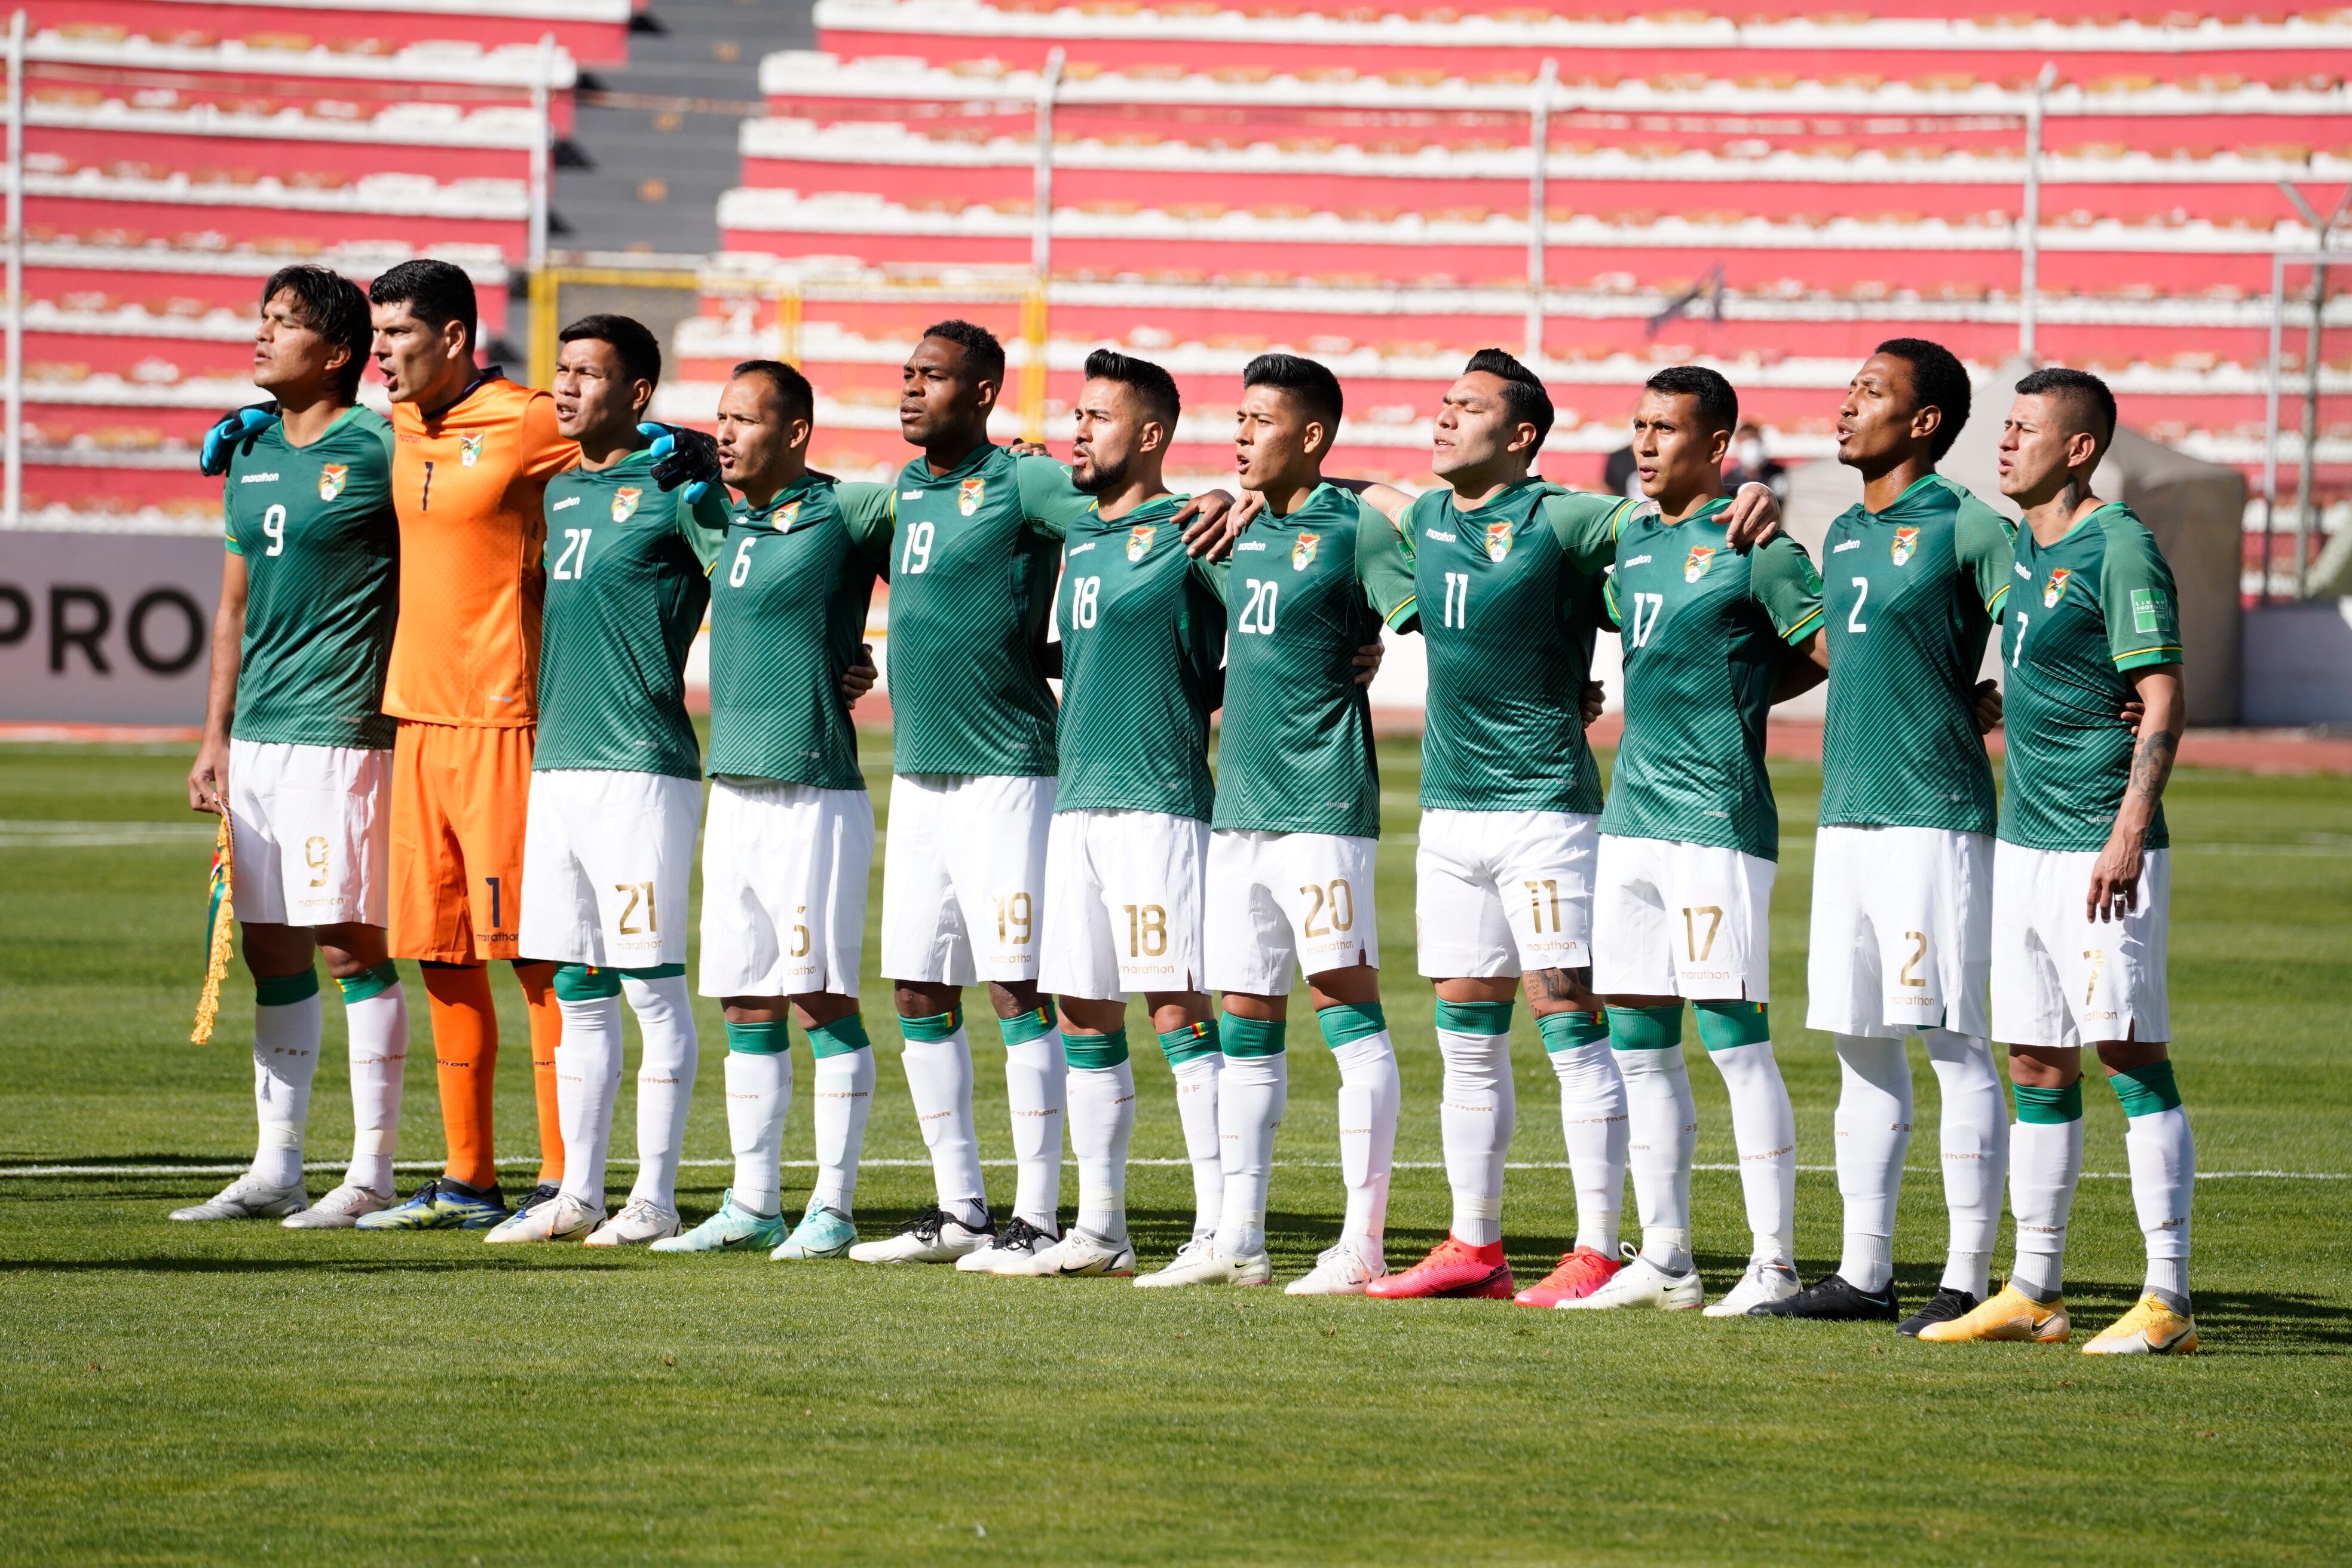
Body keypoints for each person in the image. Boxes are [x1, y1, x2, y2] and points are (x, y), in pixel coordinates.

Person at [1348, 350, 1783, 1304]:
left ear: (1521, 435)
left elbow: (1678, 525)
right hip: (1450, 814)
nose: (1445, 417)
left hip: (1548, 812)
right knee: (1465, 1033)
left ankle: (1599, 1248)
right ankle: (1476, 1245)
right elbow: (1372, 496)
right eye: (1444, 403)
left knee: (1574, 1034)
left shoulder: (1575, 518)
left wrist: (1750, 505)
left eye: (1468, 408)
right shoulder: (1424, 516)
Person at [851, 321, 1237, 1268]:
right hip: (923, 773)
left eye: (930, 377)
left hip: (1019, 772)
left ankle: (1059, 1211)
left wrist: (1232, 501)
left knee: (1033, 990)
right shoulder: (904, 492)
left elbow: (1232, 578)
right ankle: (965, 1212)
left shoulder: (1036, 485)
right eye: (905, 375)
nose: (909, 390)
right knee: (921, 983)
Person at [1921, 368, 2197, 1355]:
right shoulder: (2021, 551)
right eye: (2004, 426)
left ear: (2078, 449)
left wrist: (2127, 833)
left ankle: (2168, 1301)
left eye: (2026, 429)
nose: (2005, 442)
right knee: (2036, 1058)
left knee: (2130, 1056)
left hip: (2097, 847)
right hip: (2025, 843)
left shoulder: (2118, 545)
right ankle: (2034, 1286)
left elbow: (2160, 696)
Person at [1135, 352, 1418, 1291]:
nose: (1241, 434)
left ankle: (1362, 1243)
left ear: (1312, 436)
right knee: (1246, 1023)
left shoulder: (1355, 528)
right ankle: (1239, 1241)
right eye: (1239, 418)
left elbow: (1440, 596)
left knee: (1348, 1014)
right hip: (1238, 810)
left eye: (1261, 421)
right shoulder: (1234, 530)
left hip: (1323, 805)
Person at [1750, 339, 2016, 1329]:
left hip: (1932, 817)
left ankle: (1966, 1277)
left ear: (1925, 423)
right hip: (1850, 816)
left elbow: (2040, 620)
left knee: (1951, 1040)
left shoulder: (1966, 524)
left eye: (1872, 392)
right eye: (1851, 387)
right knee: (1859, 1041)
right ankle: (1865, 1273)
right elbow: (1843, 648)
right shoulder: (1846, 534)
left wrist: (2017, 700)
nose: (1847, 404)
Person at [1563, 365, 1826, 1317]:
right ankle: (1668, 1256)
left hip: (1715, 819)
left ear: (1716, 449)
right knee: (1638, 1040)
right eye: (1638, 426)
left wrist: (1965, 701)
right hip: (1630, 820)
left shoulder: (1756, 544)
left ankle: (1775, 1261)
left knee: (1733, 1041)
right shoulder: (1629, 540)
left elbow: (1842, 649)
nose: (1643, 444)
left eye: (1665, 429)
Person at [483, 315, 731, 1247]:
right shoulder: (559, 491)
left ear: (636, 394)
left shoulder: (676, 491)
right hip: (560, 769)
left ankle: (655, 1197)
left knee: (649, 983)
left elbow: (747, 579)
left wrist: (831, 659)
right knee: (578, 982)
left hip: (640, 771)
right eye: (562, 370)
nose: (569, 386)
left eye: (590, 373)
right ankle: (577, 1192)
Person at [176, 265, 408, 1228]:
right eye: (263, 318)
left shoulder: (382, 447)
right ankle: (277, 1168)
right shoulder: (252, 451)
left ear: (339, 353)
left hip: (343, 731)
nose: (261, 335)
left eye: (284, 322)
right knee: (272, 948)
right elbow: (231, 610)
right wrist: (213, 737)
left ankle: (372, 1173)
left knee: (353, 946)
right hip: (260, 740)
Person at [353, 260, 578, 1231]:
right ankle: (465, 1176)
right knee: (441, 952)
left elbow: (622, 462)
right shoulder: (396, 423)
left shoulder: (527, 418)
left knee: (534, 953)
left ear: (452, 337)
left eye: (399, 334)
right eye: (376, 336)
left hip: (504, 719)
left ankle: (564, 1176)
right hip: (418, 721)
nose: (383, 354)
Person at [653, 359, 891, 1258]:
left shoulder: (851, 510)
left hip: (814, 793)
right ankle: (753, 1204)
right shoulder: (716, 515)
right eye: (718, 418)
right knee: (747, 1004)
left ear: (795, 433)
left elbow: (949, 550)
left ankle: (831, 1208)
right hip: (736, 790)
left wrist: (868, 650)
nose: (724, 434)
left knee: (820, 997)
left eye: (744, 420)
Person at [1006, 348, 1227, 1279]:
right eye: (1076, 415)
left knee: (1176, 1008)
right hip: (1078, 804)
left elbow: (1286, 620)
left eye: (1096, 418)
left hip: (1159, 805)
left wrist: (1357, 654)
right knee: (1085, 1014)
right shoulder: (1084, 541)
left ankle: (1225, 1230)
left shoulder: (1200, 534)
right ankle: (1101, 1227)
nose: (1076, 431)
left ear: (1150, 436)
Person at [1723, 422, 1787, 501]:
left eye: (1754, 441)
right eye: (1746, 441)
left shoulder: (1779, 473)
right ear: (1738, 446)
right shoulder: (1728, 480)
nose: (1752, 448)